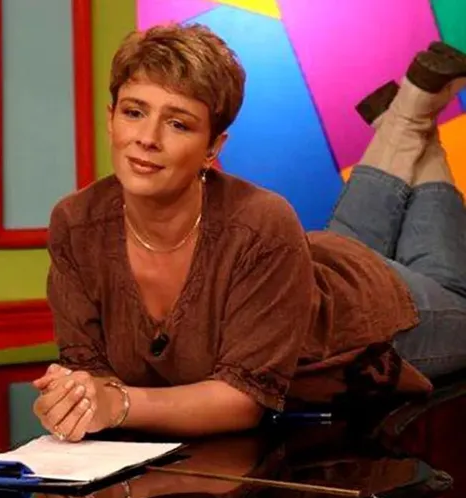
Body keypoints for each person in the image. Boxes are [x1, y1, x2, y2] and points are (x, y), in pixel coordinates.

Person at [32, 23, 466, 442]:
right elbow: (88, 373)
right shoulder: (76, 225)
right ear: (111, 119)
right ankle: (408, 121)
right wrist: (72, 398)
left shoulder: (261, 223)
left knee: (454, 291)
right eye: (134, 112)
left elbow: (242, 400)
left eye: (178, 123)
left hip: (358, 317)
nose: (147, 138)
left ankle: (409, 122)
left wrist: (119, 403)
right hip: (303, 261)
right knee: (350, 238)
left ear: (213, 148)